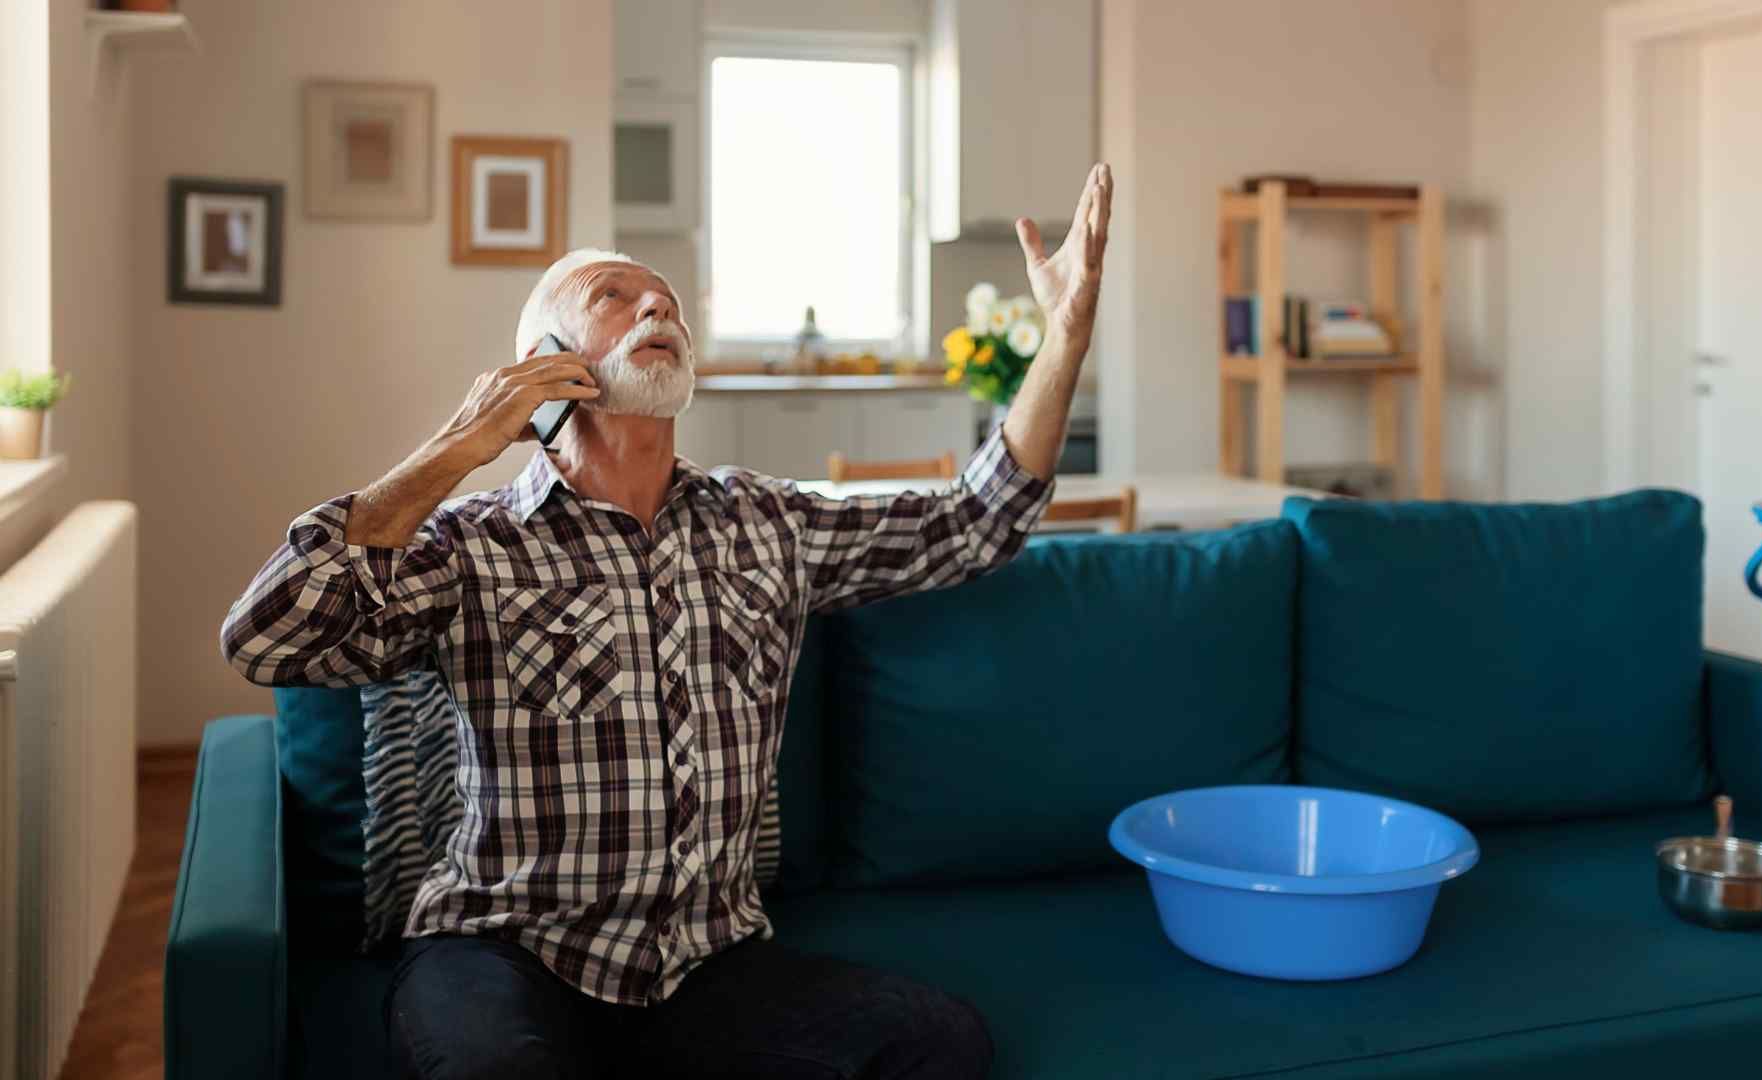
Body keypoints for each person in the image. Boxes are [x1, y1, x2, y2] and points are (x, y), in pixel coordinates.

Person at [221, 164, 1113, 1079]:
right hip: (505, 951)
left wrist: (1066, 334)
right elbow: (266, 637)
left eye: (670, 303)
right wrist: (461, 443)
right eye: (618, 297)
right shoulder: (471, 546)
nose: (657, 308)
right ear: (545, 364)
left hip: (708, 965)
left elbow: (974, 522)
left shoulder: (766, 522)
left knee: (940, 1044)